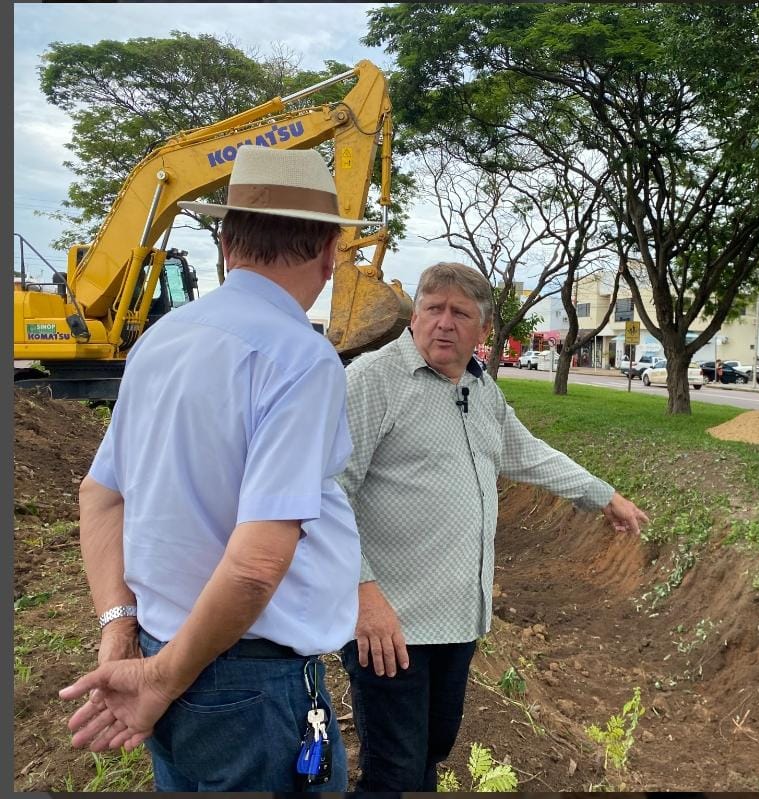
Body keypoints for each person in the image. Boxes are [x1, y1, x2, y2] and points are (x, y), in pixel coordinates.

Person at [58, 147, 364, 791]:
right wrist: (163, 679)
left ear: (226, 241)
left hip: (165, 657)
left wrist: (121, 631)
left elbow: (100, 494)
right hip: (249, 684)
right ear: (331, 253)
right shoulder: (302, 360)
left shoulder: (158, 342)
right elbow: (256, 563)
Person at [336, 262, 649, 792]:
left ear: (483, 330)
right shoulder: (370, 382)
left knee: (432, 751)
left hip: (456, 618)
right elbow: (328, 491)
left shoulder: (481, 390)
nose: (443, 323)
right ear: (415, 317)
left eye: (459, 313)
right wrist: (363, 595)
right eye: (433, 309)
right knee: (395, 769)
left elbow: (528, 453)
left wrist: (603, 495)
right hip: (390, 623)